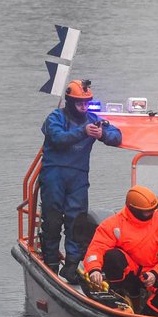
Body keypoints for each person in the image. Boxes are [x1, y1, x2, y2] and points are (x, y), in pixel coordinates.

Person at [40, 78, 122, 284]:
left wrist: (102, 134)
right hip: (54, 175)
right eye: (79, 103)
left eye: (86, 103)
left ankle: (71, 266)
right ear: (70, 101)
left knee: (77, 222)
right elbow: (58, 139)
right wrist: (82, 132)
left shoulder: (93, 119)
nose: (83, 107)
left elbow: (116, 135)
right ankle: (49, 262)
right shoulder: (55, 118)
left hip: (78, 177)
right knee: (52, 220)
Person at [83, 185, 158, 316]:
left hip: (154, 269)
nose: (150, 214)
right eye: (146, 211)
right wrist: (94, 269)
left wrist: (156, 273)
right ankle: (120, 296)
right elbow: (97, 247)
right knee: (112, 257)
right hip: (130, 269)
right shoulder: (114, 224)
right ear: (132, 208)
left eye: (152, 210)